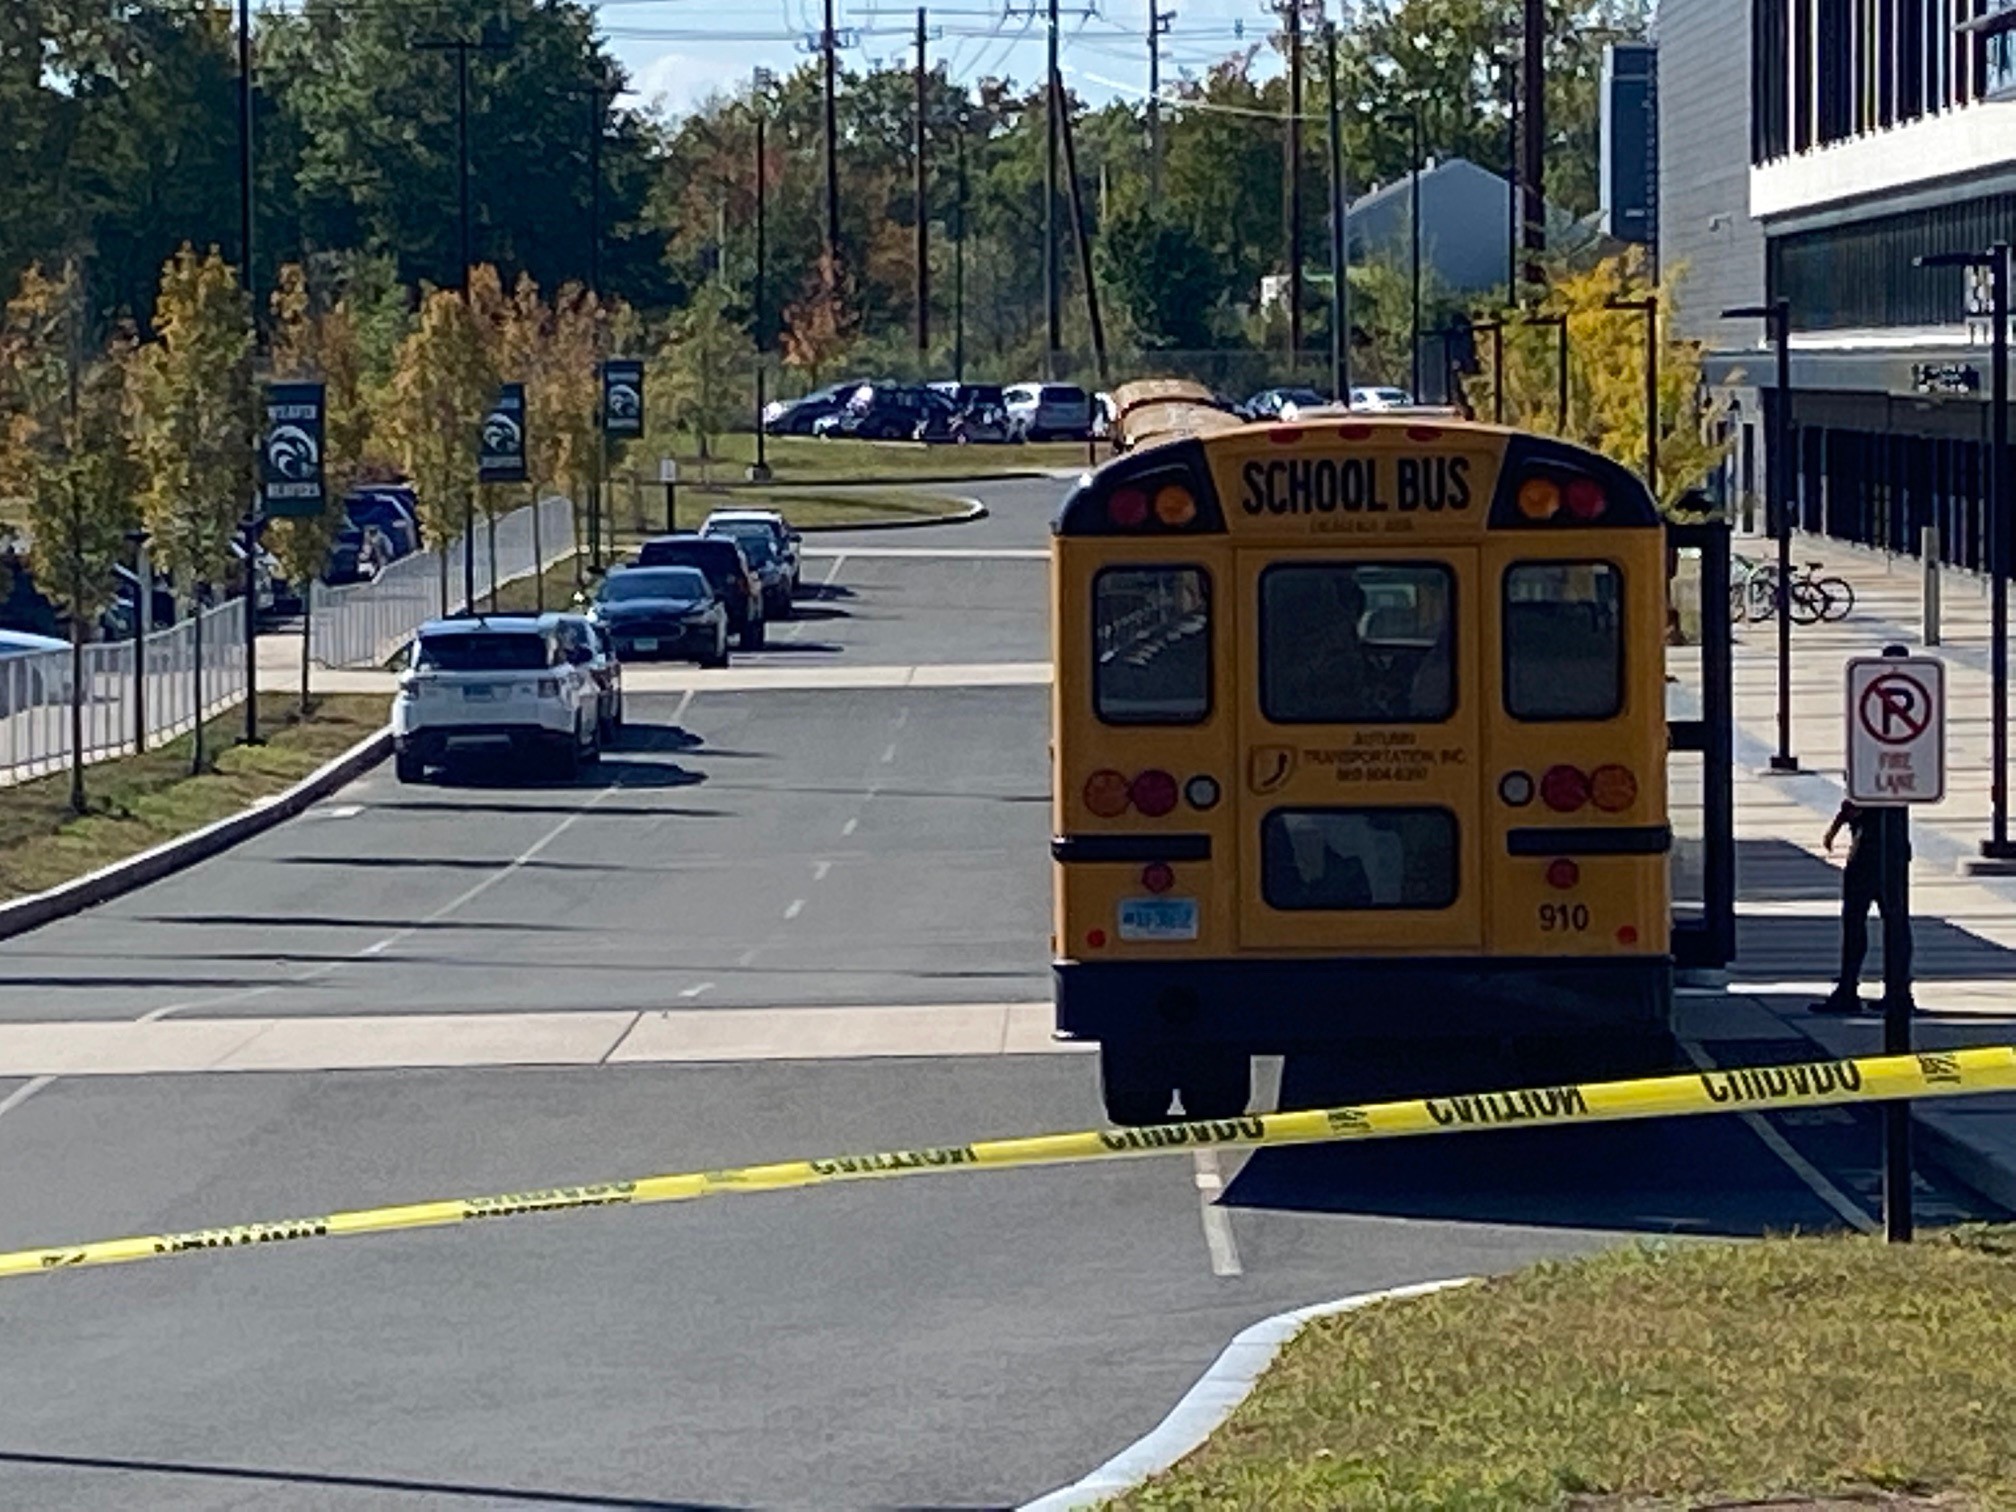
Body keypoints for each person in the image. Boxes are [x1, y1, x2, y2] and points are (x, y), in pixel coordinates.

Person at [1813, 798, 1913, 1014]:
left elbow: (1854, 804)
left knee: (1855, 920)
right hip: (1894, 849)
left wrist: (1835, 827)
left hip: (1867, 850)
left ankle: (1850, 988)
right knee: (1895, 921)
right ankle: (1898, 989)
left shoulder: (1864, 771)